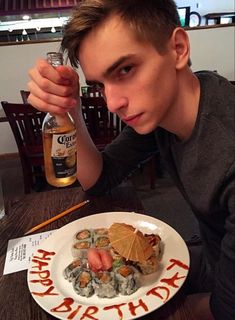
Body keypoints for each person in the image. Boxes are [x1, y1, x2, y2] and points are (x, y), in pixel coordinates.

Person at [27, 0, 235, 319]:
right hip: (213, 256)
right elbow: (99, 179)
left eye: (125, 70)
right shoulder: (167, 108)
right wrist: (70, 110)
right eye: (99, 84)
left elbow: (226, 308)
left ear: (178, 48)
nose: (112, 103)